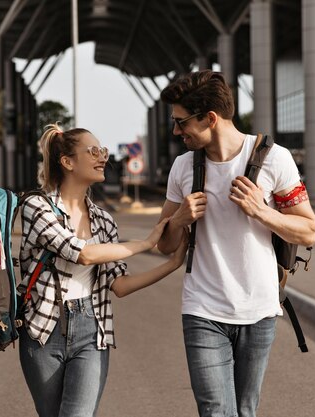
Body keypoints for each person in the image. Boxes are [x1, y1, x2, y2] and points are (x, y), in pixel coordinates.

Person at [156, 70, 315, 417]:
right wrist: (179, 220)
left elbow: (308, 231)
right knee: (216, 410)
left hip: (259, 310)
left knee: (245, 410)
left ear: (210, 118)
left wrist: (262, 212)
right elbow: (164, 245)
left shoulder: (275, 158)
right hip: (202, 309)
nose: (176, 131)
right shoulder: (182, 167)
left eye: (181, 122)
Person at [18, 123, 188, 417]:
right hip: (44, 329)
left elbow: (119, 286)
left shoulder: (104, 221)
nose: (103, 157)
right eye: (94, 151)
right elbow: (82, 255)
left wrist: (172, 264)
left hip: (91, 329)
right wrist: (146, 243)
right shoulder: (37, 206)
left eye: (104, 150)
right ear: (68, 162)